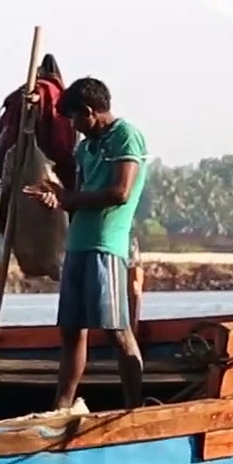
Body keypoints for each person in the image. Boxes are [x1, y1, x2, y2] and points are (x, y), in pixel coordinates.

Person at [24, 77, 147, 411]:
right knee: (71, 330)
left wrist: (70, 197)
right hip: (77, 244)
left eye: (76, 119)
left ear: (90, 112)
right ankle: (62, 407)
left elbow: (120, 193)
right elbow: (75, 198)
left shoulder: (126, 136)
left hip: (105, 245)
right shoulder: (84, 148)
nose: (74, 127)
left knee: (116, 330)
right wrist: (56, 199)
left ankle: (134, 408)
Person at [0, 54, 77, 235]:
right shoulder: (39, 90)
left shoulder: (52, 92)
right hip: (31, 152)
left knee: (9, 185)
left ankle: (4, 219)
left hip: (45, 156)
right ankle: (4, 218)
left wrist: (37, 98)